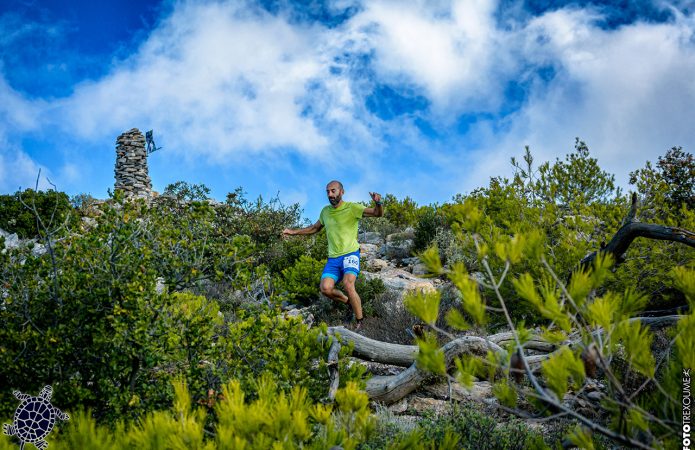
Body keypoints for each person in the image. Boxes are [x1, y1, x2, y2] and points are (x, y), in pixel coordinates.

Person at [282, 180, 383, 330]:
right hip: (333, 258)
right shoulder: (325, 211)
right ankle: (349, 302)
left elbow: (377, 214)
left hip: (350, 254)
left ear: (342, 192)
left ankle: (361, 322)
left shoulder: (352, 208)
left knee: (348, 284)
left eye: (333, 191)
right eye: (328, 192)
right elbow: (315, 228)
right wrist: (293, 232)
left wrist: (378, 203)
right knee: (325, 289)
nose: (330, 194)